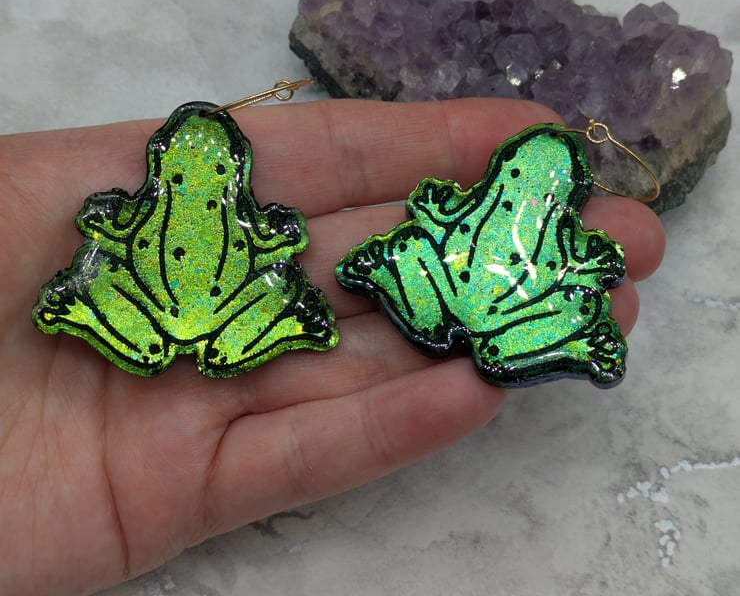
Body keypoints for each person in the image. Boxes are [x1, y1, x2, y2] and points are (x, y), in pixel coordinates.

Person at [0, 97, 664, 596]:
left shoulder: (539, 224)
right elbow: (280, 234)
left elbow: (431, 215)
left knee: (415, 259)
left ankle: (567, 340)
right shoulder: (184, 206)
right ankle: (255, 323)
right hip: (230, 303)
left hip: (473, 292)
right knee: (349, 273)